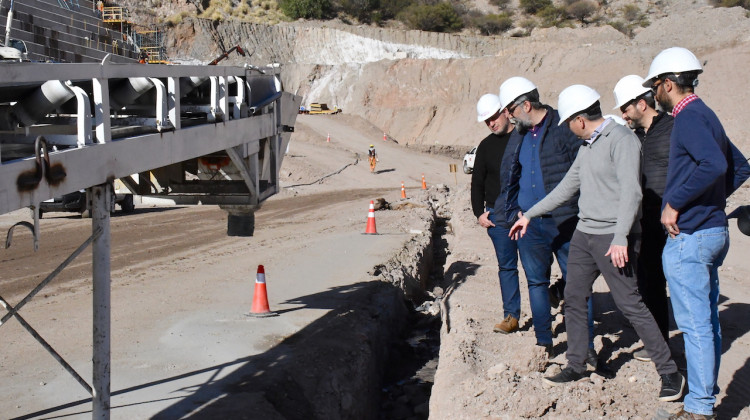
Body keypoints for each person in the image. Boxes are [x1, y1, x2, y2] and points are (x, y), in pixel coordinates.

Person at [510, 84, 684, 402]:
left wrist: (621, 239)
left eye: (568, 124)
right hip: (584, 235)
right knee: (574, 297)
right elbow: (566, 187)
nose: (569, 130)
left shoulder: (623, 141)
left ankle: (670, 371)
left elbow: (632, 192)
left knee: (631, 303)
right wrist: (529, 215)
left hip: (613, 237)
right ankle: (576, 364)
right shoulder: (587, 147)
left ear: (579, 119)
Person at [643, 47, 749, 419]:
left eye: (655, 85)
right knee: (706, 322)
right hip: (712, 230)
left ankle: (700, 407)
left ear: (668, 83)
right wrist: (711, 202)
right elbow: (740, 166)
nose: (653, 92)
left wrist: (677, 204)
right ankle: (704, 396)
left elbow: (715, 164)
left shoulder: (686, 118)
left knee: (696, 326)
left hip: (691, 235)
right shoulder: (708, 115)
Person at [497, 77, 595, 361]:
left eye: (511, 110)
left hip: (565, 221)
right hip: (529, 223)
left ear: (526, 105)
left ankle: (585, 347)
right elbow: (510, 176)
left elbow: (584, 173)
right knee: (537, 283)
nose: (509, 117)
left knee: (577, 284)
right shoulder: (519, 135)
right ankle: (544, 341)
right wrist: (512, 209)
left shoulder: (563, 130)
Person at [613, 74, 674, 359]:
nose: (623, 116)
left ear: (641, 103)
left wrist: (697, 209)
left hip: (675, 225)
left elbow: (724, 168)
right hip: (645, 223)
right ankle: (659, 343)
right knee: (650, 284)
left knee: (683, 290)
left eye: (625, 109)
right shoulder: (633, 138)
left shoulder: (675, 128)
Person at [471, 94, 521, 333]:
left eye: (493, 117)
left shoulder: (524, 137)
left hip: (525, 214)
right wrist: (478, 213)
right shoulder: (485, 146)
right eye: (487, 121)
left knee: (536, 269)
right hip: (497, 217)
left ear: (505, 111)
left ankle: (545, 317)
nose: (491, 123)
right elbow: (477, 182)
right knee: (507, 267)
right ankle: (511, 316)